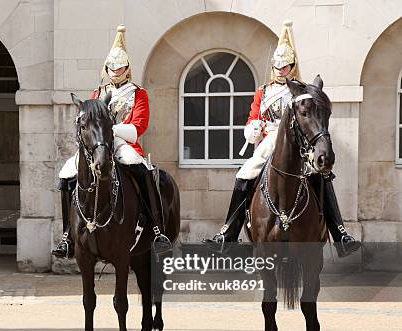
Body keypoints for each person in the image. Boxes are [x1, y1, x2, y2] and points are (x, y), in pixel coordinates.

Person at [204, 21, 360, 257]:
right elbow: (252, 119)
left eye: (284, 66)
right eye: (276, 66)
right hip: (269, 143)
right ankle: (228, 232)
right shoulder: (263, 91)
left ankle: (340, 234)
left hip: (298, 142)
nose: (279, 70)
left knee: (322, 175)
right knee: (244, 175)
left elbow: (310, 118)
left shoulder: (301, 90)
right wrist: (253, 130)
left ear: (292, 66)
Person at [52, 25, 171, 259]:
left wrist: (112, 129)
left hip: (123, 143)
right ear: (106, 69)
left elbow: (139, 126)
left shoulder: (138, 93)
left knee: (142, 169)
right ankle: (67, 235)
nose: (115, 71)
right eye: (111, 68)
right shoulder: (98, 93)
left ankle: (157, 229)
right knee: (66, 173)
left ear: (128, 69)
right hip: (98, 144)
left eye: (120, 68)